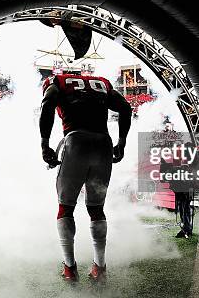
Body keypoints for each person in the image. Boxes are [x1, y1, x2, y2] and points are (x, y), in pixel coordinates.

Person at [39, 73, 132, 283]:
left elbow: (48, 103)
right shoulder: (102, 82)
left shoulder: (57, 81)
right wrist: (122, 142)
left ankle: (70, 268)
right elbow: (125, 108)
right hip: (103, 143)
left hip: (75, 140)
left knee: (66, 207)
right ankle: (100, 267)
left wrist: (45, 143)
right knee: (96, 208)